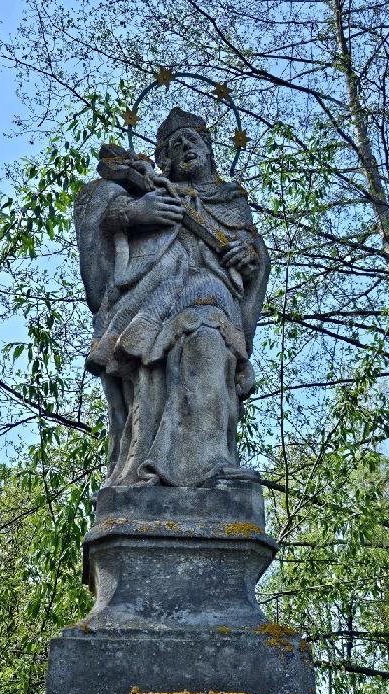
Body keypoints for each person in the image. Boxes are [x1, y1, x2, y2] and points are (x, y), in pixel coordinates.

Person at [75, 107, 270, 486]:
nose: (185, 148)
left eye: (192, 141)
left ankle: (210, 463)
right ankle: (148, 467)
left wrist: (249, 253)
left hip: (213, 294)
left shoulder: (231, 199)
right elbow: (97, 205)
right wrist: (134, 212)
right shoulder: (151, 190)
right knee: (153, 373)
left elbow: (254, 254)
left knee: (207, 341)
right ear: (164, 160)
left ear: (209, 150)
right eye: (175, 146)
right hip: (154, 295)